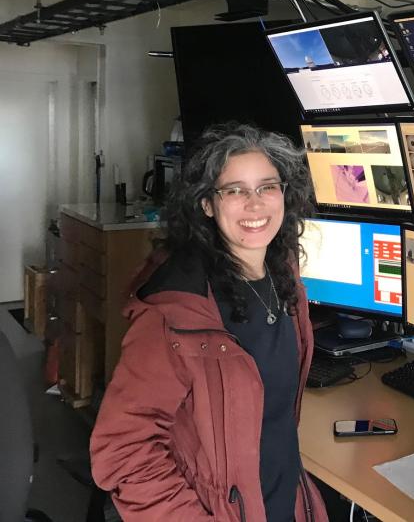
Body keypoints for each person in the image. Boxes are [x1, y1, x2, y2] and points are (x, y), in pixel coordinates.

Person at [90, 124, 329, 522]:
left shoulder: (282, 273)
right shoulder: (173, 312)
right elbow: (124, 451)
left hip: (287, 499)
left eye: (267, 187)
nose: (254, 205)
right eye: (234, 190)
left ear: (285, 195)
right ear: (207, 205)